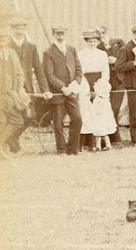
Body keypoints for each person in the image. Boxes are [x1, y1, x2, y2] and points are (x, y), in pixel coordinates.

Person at [7, 15, 50, 152]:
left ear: (25, 29)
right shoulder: (5, 46)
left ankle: (11, 139)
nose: (19, 31)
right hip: (10, 88)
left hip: (27, 88)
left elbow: (39, 69)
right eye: (16, 28)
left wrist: (45, 89)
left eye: (21, 28)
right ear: (11, 29)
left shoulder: (31, 47)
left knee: (30, 115)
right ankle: (11, 144)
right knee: (12, 117)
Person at [42, 26, 83, 155]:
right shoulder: (48, 53)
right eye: (58, 34)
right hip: (57, 93)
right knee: (58, 123)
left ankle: (73, 148)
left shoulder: (71, 49)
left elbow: (78, 70)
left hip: (72, 92)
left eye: (62, 34)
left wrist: (76, 83)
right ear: (53, 34)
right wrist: (63, 88)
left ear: (66, 34)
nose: (60, 36)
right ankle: (61, 149)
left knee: (77, 119)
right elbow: (49, 75)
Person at [77, 30, 110, 150]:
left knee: (99, 112)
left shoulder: (102, 54)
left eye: (94, 41)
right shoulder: (81, 54)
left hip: (99, 83)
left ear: (98, 42)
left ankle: (100, 143)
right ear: (86, 42)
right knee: (86, 112)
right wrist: (84, 87)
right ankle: (87, 143)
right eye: (89, 41)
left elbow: (105, 71)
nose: (92, 43)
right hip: (86, 83)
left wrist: (100, 87)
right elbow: (79, 72)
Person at [0, 27, 30, 159]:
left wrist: (19, 89)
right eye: (0, 39)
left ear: (7, 40)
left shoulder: (11, 53)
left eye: (4, 39)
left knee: (17, 121)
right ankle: (3, 149)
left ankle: (2, 145)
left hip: (11, 95)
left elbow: (19, 73)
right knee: (3, 122)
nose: (2, 42)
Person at [100, 27, 125, 145]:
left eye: (103, 33)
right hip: (105, 81)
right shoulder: (98, 46)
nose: (102, 36)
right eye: (99, 34)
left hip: (118, 80)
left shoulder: (119, 42)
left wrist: (116, 60)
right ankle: (106, 137)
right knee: (105, 108)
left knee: (115, 108)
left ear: (107, 32)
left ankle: (115, 137)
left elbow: (127, 56)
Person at [90, 78, 117, 151]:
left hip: (100, 118)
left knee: (100, 132)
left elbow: (97, 109)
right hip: (102, 118)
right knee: (101, 133)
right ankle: (101, 145)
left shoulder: (100, 99)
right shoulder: (105, 98)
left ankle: (103, 145)